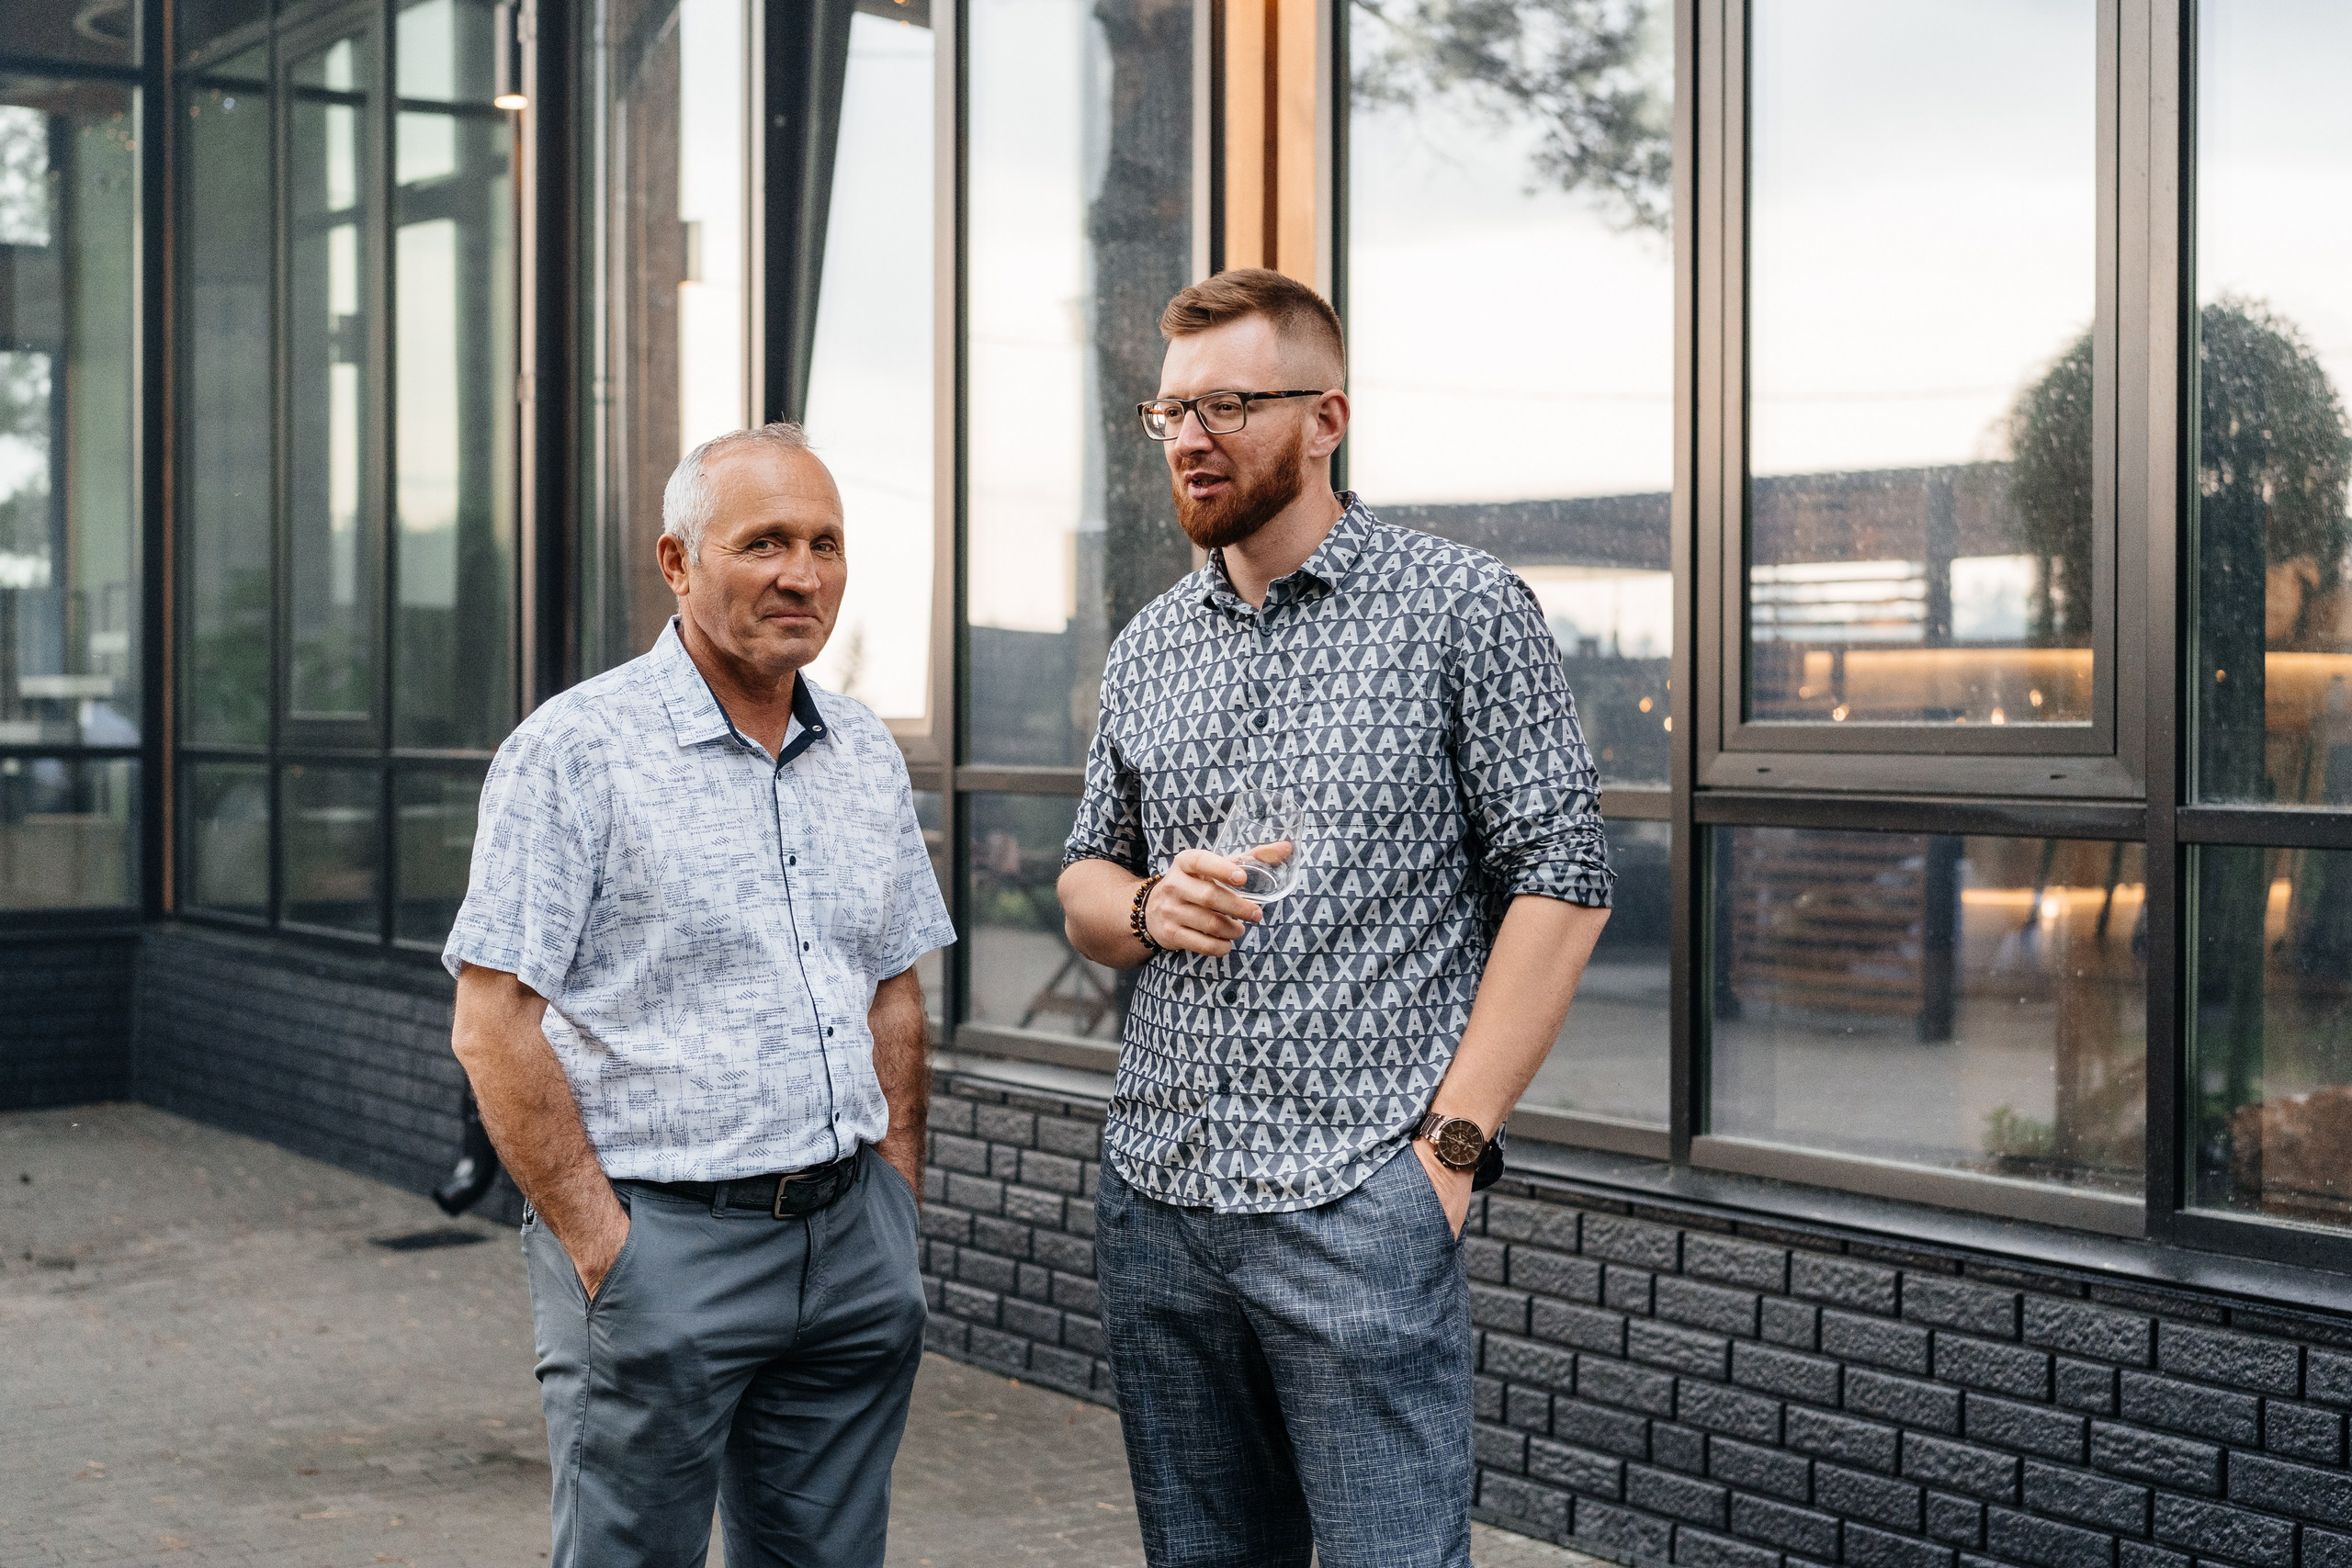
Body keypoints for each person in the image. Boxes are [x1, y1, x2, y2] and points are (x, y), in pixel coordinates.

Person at [1057, 268, 1615, 1567]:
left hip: (1358, 1204)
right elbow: (1088, 880)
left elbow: (1566, 879)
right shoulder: (1149, 645)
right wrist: (1148, 900)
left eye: (1233, 404)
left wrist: (1448, 1158)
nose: (1193, 436)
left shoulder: (1462, 607)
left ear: (1327, 417)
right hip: (1160, 1199)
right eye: (1174, 410)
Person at [443, 423, 953, 1568]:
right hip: (664, 1247)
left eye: (825, 543)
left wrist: (895, 1202)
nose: (801, 573)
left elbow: (891, 987)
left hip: (851, 1244)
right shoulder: (573, 752)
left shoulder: (863, 751)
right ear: (677, 563)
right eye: (763, 542)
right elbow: (492, 1024)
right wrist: (603, 1246)